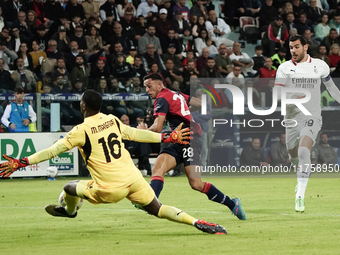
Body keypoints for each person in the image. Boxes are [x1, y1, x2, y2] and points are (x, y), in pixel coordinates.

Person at [0, 90, 226, 235]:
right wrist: (167, 136)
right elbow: (138, 134)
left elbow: (52, 151)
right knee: (157, 208)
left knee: (68, 187)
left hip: (110, 189)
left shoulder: (80, 130)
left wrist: (22, 162)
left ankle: (69, 212)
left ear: (83, 107)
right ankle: (197, 222)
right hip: (134, 179)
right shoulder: (112, 120)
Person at [141, 72, 246, 220]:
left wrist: (142, 131)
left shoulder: (161, 99)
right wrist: (187, 115)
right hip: (178, 138)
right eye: (145, 87)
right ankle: (150, 203)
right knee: (158, 169)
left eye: (149, 86)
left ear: (159, 84)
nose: (147, 90)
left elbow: (157, 128)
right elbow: (200, 103)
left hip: (190, 138)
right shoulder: (174, 94)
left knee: (196, 183)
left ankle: (232, 203)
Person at [274, 34, 340, 212]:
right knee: (293, 154)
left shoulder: (320, 65)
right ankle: (300, 178)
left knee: (304, 150)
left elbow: (331, 88)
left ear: (305, 47)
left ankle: (300, 196)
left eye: (296, 47)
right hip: (292, 118)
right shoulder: (284, 68)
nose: (293, 51)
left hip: (312, 116)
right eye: (291, 48)